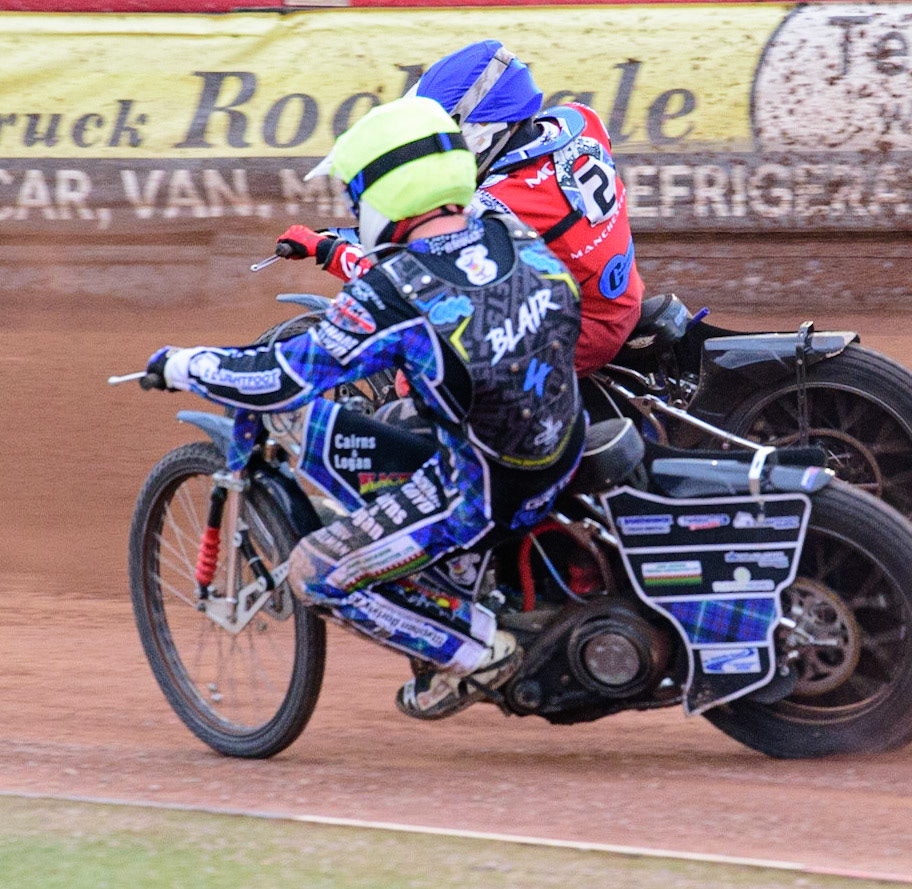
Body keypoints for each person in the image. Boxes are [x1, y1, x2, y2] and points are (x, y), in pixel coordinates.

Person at [143, 96, 585, 719]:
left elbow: (282, 378)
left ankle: (476, 653)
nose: (355, 207)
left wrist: (185, 364)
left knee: (315, 570)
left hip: (485, 493)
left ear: (386, 191)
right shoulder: (504, 227)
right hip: (562, 439)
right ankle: (459, 588)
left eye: (357, 193)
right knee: (404, 420)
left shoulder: (392, 292)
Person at [280, 40, 643, 378]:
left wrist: (329, 250)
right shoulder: (579, 121)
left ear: (482, 131)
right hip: (614, 292)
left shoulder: (501, 204)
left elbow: (417, 282)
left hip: (581, 334)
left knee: (428, 362)